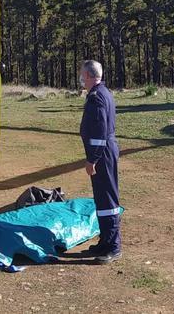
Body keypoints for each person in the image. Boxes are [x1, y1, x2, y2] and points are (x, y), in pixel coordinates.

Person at [78, 59, 121, 263]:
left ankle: (113, 246)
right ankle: (105, 241)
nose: (81, 79)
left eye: (82, 75)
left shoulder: (96, 97)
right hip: (104, 150)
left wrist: (92, 159)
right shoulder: (103, 93)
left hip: (102, 153)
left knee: (107, 200)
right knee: (102, 199)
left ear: (88, 75)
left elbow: (99, 132)